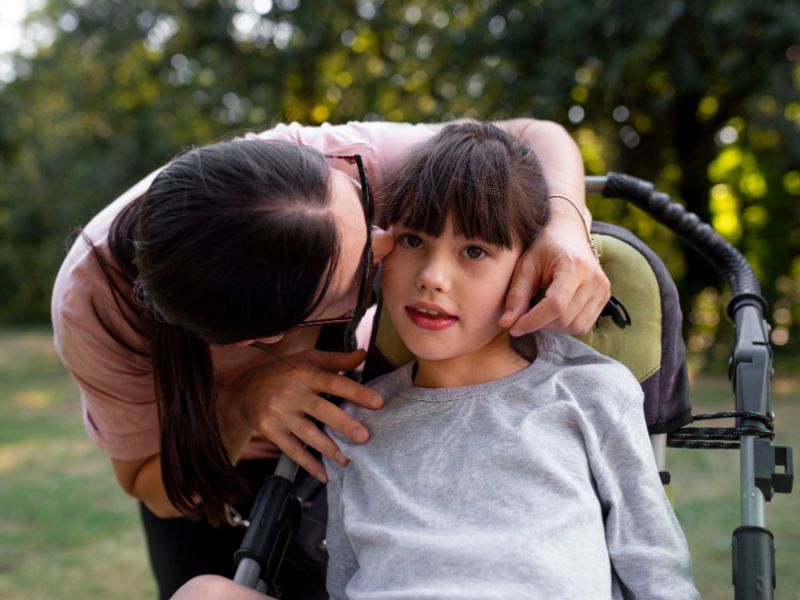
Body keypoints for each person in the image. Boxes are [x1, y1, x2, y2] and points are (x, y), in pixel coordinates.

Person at [51, 119, 609, 599]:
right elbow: (149, 482)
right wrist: (244, 408)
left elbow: (536, 135)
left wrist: (566, 221)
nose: (390, 242)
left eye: (365, 208)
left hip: (348, 430)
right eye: (367, 262)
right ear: (275, 336)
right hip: (211, 472)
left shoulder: (325, 170)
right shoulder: (93, 307)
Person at [322, 122, 699, 599]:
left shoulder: (589, 393)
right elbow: (342, 582)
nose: (433, 277)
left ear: (530, 269)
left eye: (474, 251)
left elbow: (657, 572)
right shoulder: (353, 425)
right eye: (414, 241)